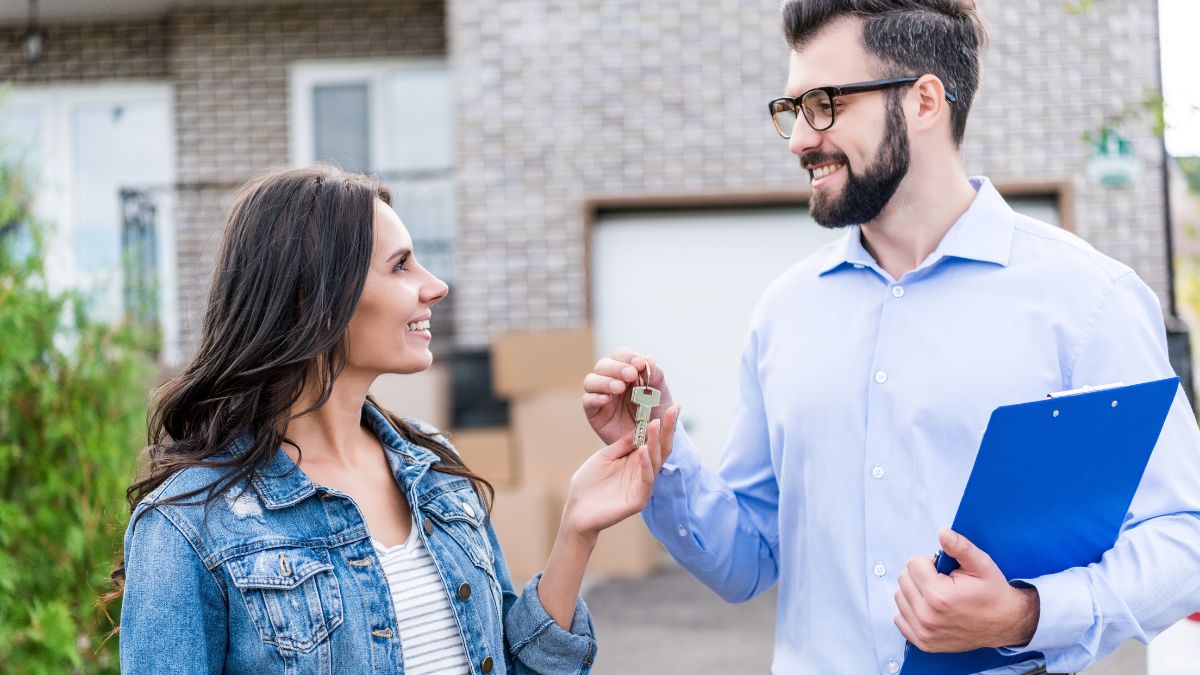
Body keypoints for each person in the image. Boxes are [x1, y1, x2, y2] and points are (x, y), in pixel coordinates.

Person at [581, 1, 1200, 673]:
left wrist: (1029, 610)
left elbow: (1183, 540)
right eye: (791, 109)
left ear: (925, 101)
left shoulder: (1088, 299)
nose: (798, 139)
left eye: (824, 104)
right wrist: (657, 450)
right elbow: (746, 560)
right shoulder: (784, 312)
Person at [114, 164, 682, 674]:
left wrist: (577, 528)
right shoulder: (188, 525)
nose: (435, 287)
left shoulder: (431, 465)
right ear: (318, 298)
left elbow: (517, 667)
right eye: (401, 266)